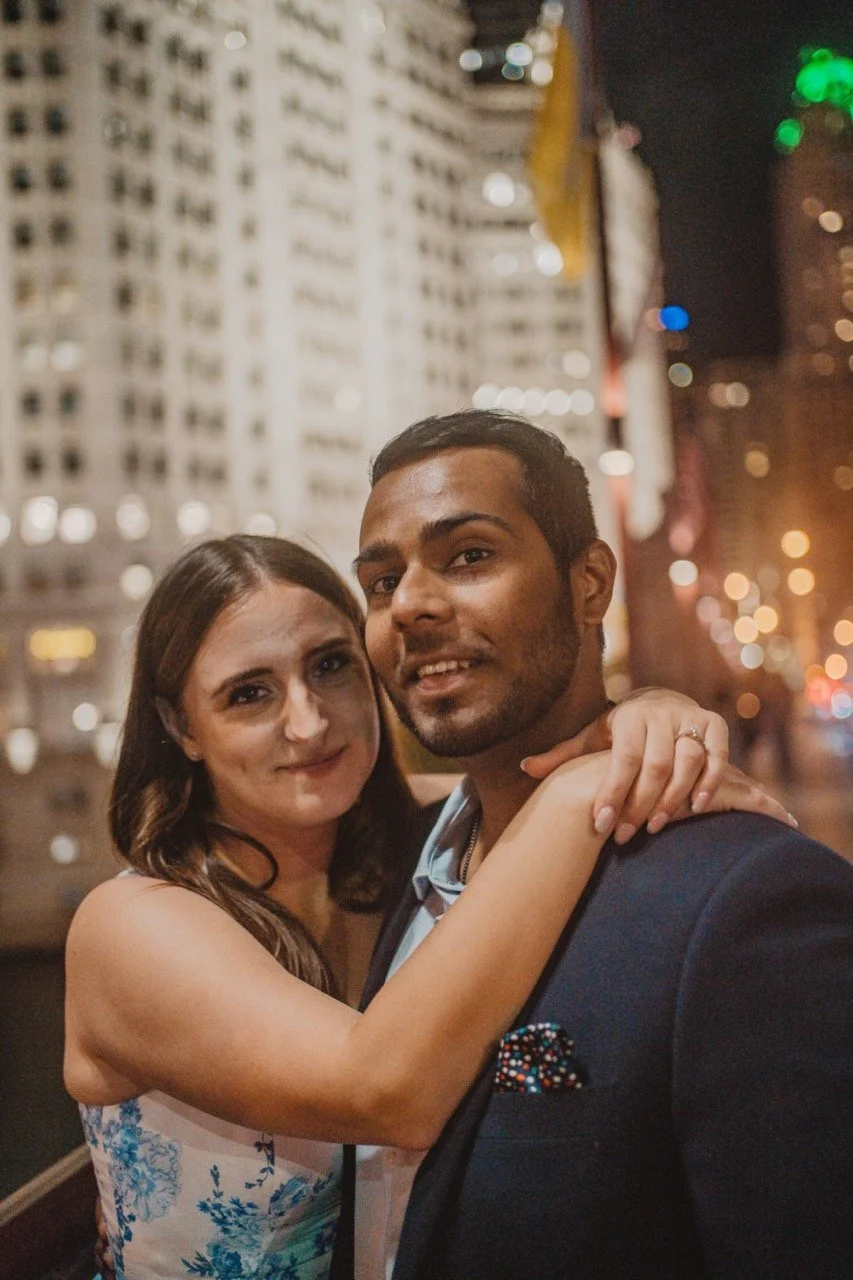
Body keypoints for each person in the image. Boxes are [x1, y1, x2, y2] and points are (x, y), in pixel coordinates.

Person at [67, 535, 780, 1280]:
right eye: (249, 694)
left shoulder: (419, 849)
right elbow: (383, 1093)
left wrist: (646, 720)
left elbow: (519, 787)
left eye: (330, 666)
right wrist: (578, 790)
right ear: (180, 726)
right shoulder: (131, 926)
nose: (309, 723)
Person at [340, 409, 853, 1280]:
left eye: (468, 556)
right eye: (382, 582)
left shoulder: (748, 896)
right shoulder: (398, 865)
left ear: (588, 584)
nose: (411, 606)